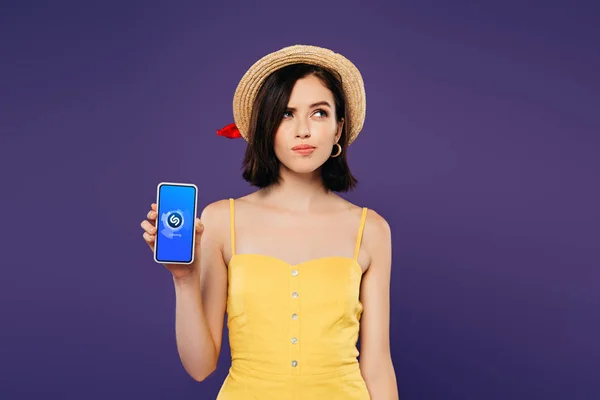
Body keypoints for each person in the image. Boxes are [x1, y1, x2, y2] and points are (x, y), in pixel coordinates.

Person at [140, 44, 398, 399]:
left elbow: (377, 364)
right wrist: (184, 280)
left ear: (339, 128)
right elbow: (200, 368)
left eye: (319, 113)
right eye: (286, 114)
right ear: (266, 127)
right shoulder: (221, 220)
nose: (303, 130)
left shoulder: (371, 230)